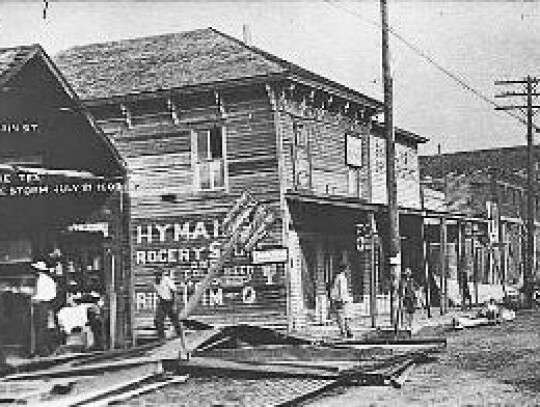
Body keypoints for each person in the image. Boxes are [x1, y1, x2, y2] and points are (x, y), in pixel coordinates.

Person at [153, 269, 182, 341]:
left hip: (170, 301)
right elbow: (158, 292)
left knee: (175, 320)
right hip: (162, 302)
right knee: (158, 320)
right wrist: (159, 299)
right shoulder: (154, 283)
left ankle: (180, 335)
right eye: (157, 275)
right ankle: (161, 337)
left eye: (160, 275)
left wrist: (174, 304)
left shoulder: (166, 280)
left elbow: (174, 291)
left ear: (162, 275)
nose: (159, 277)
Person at [330, 263, 353, 338]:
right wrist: (342, 299)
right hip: (340, 299)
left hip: (340, 299)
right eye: (347, 269)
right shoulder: (341, 278)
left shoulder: (339, 277)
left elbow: (340, 290)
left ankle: (345, 331)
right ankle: (346, 331)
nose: (348, 271)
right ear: (344, 269)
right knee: (342, 316)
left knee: (341, 316)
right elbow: (341, 290)